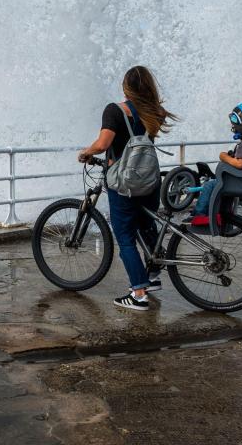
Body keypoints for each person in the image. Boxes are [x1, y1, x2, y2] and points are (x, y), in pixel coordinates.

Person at [78, 66, 177, 311]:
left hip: (124, 182)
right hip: (150, 181)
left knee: (125, 236)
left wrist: (86, 153)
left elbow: (103, 144)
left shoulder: (115, 110)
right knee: (146, 225)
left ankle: (138, 294)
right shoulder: (156, 112)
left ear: (126, 87)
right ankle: (152, 277)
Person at [184, 103, 242, 226]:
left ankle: (199, 214)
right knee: (214, 185)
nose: (232, 125)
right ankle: (221, 213)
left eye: (234, 123)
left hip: (239, 181)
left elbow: (240, 163)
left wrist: (224, 157)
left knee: (209, 186)